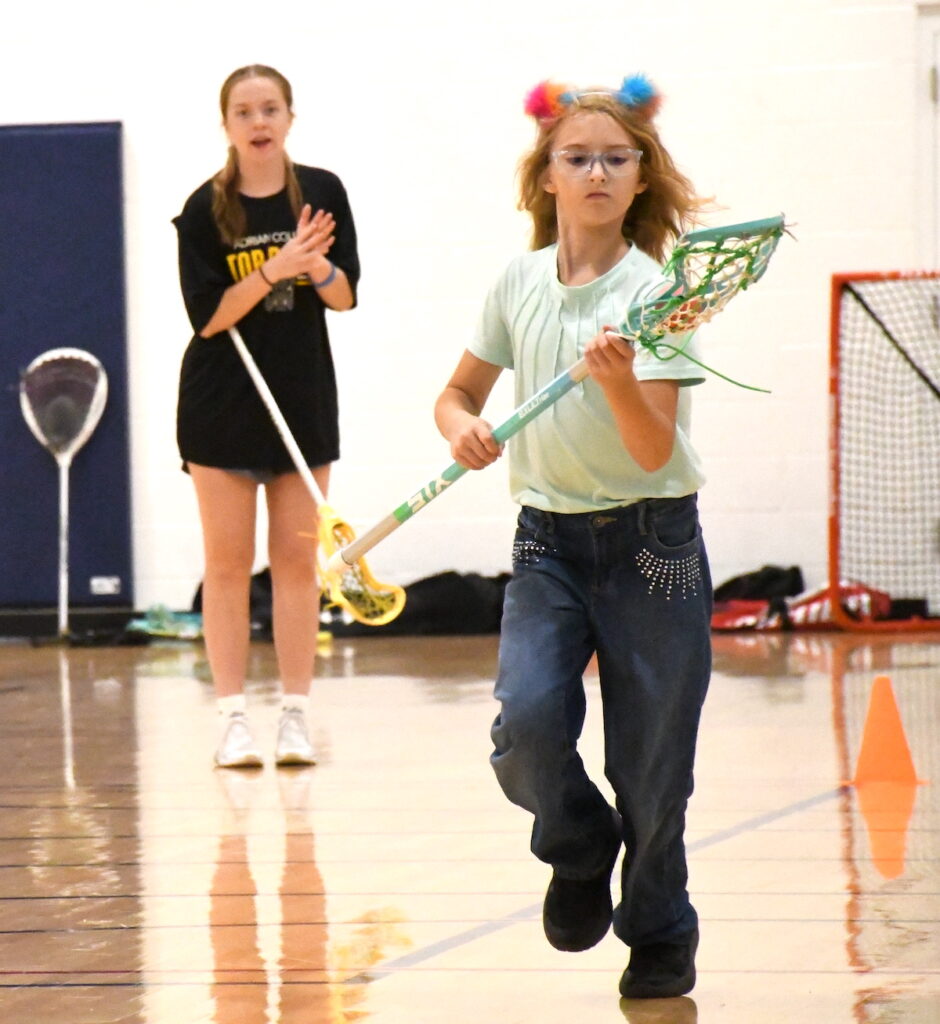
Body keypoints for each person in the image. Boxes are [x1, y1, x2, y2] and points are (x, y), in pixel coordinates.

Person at [434, 75, 712, 999]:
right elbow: (458, 392)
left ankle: (660, 928)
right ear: (546, 176)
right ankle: (578, 843)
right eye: (577, 156)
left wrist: (622, 382)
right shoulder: (518, 282)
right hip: (546, 544)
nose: (595, 170)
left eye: (615, 158)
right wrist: (458, 426)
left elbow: (650, 448)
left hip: (652, 546)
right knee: (526, 725)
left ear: (640, 179)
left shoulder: (658, 293)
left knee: (654, 766)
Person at [173, 64, 359, 769]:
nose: (259, 122)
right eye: (244, 111)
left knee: (295, 564)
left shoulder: (323, 193)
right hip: (221, 405)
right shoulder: (202, 210)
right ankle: (231, 721)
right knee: (227, 565)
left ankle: (294, 717)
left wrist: (312, 267)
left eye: (271, 108)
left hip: (301, 399)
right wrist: (276, 268)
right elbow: (210, 317)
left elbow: (344, 297)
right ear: (227, 125)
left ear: (289, 117)